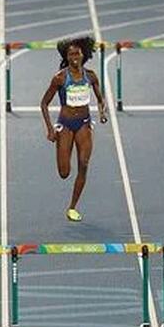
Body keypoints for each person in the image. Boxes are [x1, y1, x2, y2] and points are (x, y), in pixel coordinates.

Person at [40, 35, 107, 222]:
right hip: (66, 125)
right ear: (67, 57)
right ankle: (61, 150)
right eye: (71, 54)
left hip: (84, 124)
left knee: (84, 164)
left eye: (77, 53)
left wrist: (102, 113)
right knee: (64, 173)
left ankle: (72, 207)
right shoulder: (60, 78)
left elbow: (101, 99)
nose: (74, 57)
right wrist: (50, 129)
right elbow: (44, 104)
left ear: (83, 54)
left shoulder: (91, 76)